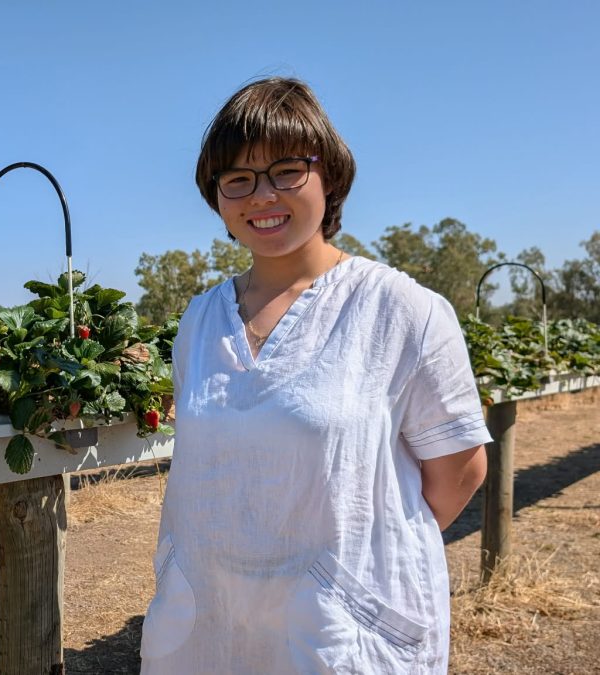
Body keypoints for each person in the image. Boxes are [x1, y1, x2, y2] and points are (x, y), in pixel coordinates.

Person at [139, 78, 490, 674]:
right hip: (210, 623)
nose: (261, 195)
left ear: (328, 175)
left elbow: (460, 470)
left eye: (285, 170)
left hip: (337, 632)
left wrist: (346, 567)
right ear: (217, 196)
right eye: (238, 179)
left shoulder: (401, 310)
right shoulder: (200, 320)